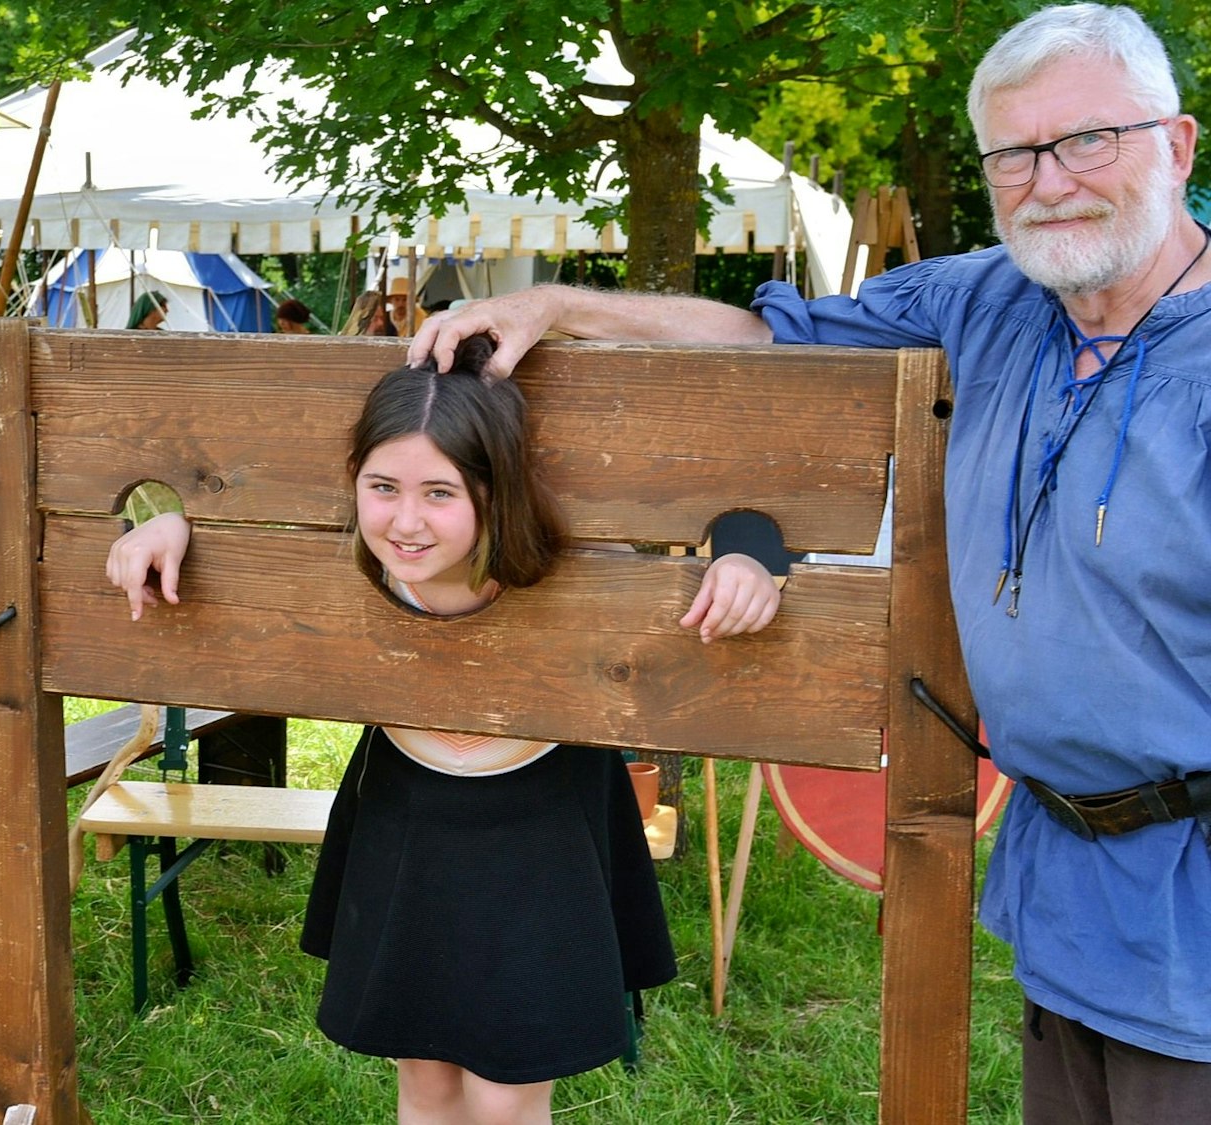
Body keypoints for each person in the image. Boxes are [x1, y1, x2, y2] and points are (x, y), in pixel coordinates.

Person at [411, 6, 1211, 1119]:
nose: (1050, 181)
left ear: (1174, 146)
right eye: (1013, 155)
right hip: (1067, 893)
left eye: (1086, 141)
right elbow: (765, 344)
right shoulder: (985, 305)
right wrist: (560, 302)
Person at [105, 336, 780, 1122]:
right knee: (424, 1073)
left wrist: (748, 555)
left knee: (504, 1092)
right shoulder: (339, 559)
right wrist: (164, 521)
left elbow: (749, 503)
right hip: (409, 812)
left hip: (543, 826)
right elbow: (197, 497)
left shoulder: (581, 560)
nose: (405, 520)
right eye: (382, 486)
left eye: (441, 492)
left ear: (497, 493)